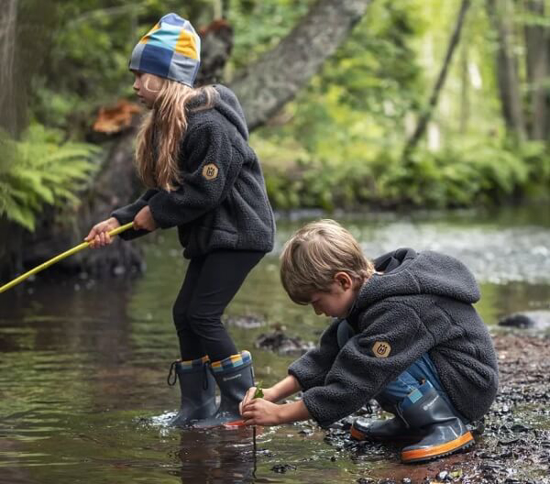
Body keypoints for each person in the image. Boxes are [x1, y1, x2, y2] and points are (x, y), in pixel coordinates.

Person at [86, 13, 275, 427]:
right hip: (214, 236)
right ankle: (197, 408)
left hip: (241, 234)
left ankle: (242, 407)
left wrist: (155, 215)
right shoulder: (175, 124)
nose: (135, 85)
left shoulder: (209, 124)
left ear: (167, 76)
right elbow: (169, 191)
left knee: (203, 316)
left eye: (142, 75)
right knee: (183, 313)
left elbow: (205, 191)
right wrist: (118, 223)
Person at [240, 219, 498, 463]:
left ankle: (443, 423)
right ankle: (411, 421)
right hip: (445, 375)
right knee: (344, 335)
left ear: (342, 280)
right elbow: (326, 355)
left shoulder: (399, 309)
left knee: (372, 360)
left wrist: (280, 414)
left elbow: (359, 378)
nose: (317, 312)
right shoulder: (369, 293)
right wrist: (273, 393)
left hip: (466, 389)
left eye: (317, 301)